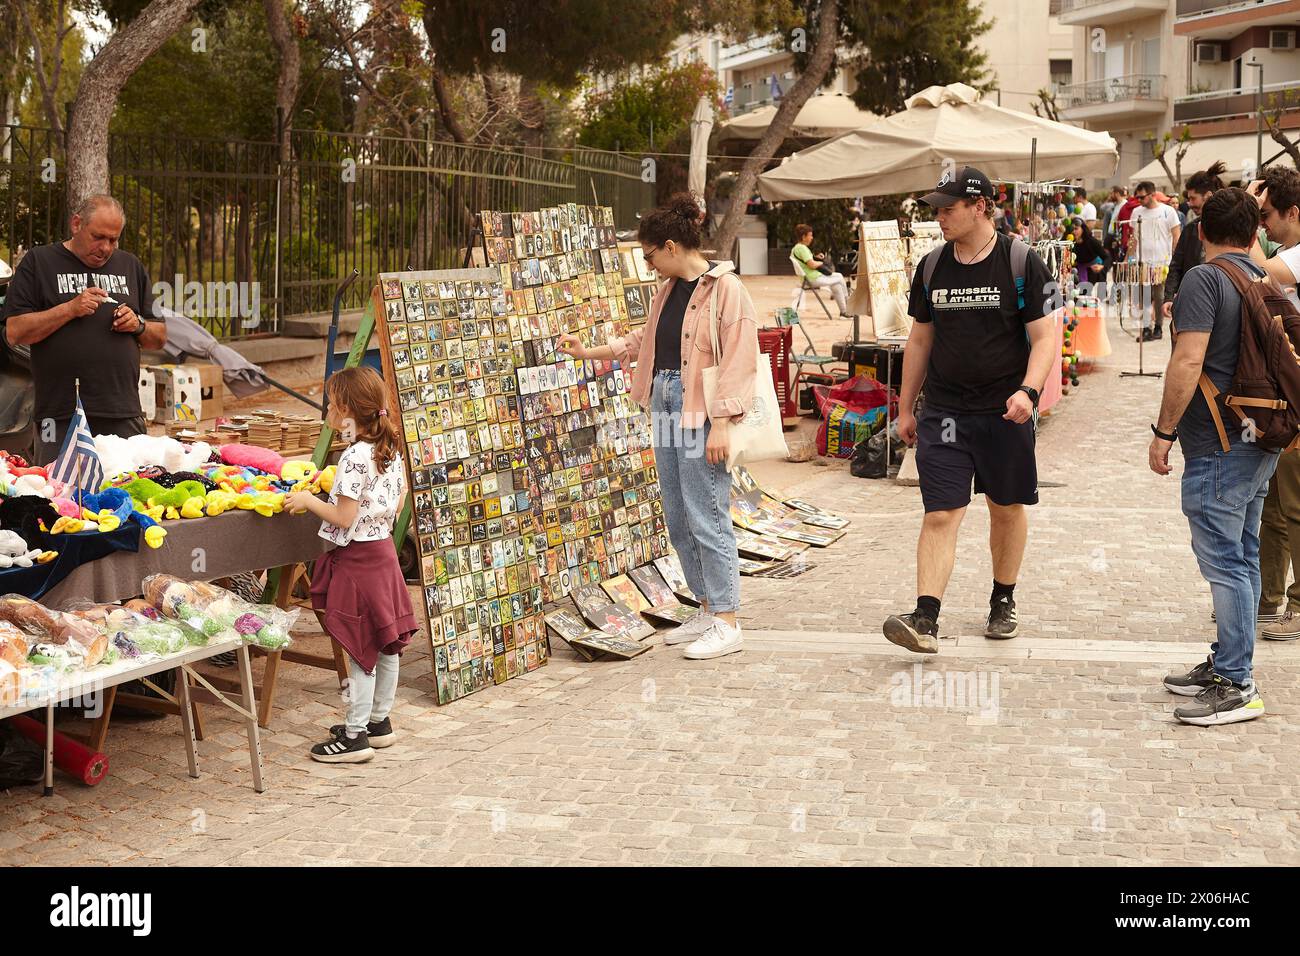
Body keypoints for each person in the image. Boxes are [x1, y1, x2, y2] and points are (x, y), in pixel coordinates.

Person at [558, 194, 758, 661]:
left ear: (670, 246)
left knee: (706, 508)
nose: (647, 264)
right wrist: (589, 352)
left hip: (701, 409)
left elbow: (740, 361)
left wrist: (723, 424)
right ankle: (708, 606)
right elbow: (643, 340)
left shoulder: (727, 291)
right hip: (666, 400)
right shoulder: (667, 291)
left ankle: (728, 618)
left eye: (649, 254)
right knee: (677, 509)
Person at [883, 166, 1058, 654]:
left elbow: (1047, 337)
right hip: (945, 411)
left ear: (980, 206)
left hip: (1006, 412)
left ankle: (1003, 599)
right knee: (940, 513)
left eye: (949, 207)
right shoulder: (932, 266)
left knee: (1005, 508)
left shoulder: (1022, 261)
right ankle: (925, 617)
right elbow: (920, 338)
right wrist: (906, 407)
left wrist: (1028, 390)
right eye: (936, 208)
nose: (939, 217)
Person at [1152, 188, 1277, 725]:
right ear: (1254, 235)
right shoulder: (1266, 279)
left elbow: (1187, 359)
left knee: (1225, 563)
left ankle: (1237, 683)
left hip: (1220, 444)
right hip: (1262, 435)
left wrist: (1164, 430)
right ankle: (1230, 662)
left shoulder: (1205, 279)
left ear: (1199, 232)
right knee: (1244, 556)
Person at [286, 367, 418, 763]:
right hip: (384, 556)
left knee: (360, 648)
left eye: (331, 403)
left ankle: (355, 736)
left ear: (346, 411)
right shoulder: (389, 445)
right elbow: (397, 500)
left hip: (359, 561)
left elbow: (343, 518)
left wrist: (307, 501)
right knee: (386, 643)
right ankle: (379, 722)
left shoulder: (355, 456)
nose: (326, 409)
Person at [1, 194, 167, 464]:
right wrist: (69, 309)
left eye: (113, 240)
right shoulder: (39, 262)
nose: (106, 248)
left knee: (129, 493)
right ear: (76, 224)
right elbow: (15, 331)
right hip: (60, 413)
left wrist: (138, 324)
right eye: (98, 237)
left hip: (122, 411)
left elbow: (159, 336)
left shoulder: (131, 266)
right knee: (60, 496)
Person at [1246, 167, 1300, 640]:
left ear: (1293, 212)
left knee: (1295, 503)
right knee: (1276, 505)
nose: (1262, 226)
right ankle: (1269, 599)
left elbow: (1255, 269)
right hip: (1284, 392)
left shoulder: (1298, 257)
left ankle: (1298, 608)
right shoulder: (1287, 251)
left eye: (1265, 216)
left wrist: (1242, 213)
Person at [1163, 162, 1226, 319]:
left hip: (1222, 306)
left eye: (1193, 198)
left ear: (1209, 196)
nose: (1189, 204)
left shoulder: (1230, 228)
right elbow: (1176, 265)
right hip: (1192, 305)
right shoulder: (1191, 229)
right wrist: (1169, 297)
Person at [1128, 181, 1182, 342]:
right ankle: (1146, 328)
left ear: (1152, 194)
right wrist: (1130, 258)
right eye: (1137, 197)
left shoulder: (1168, 211)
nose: (1139, 200)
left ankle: (1158, 327)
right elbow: (1134, 238)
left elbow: (1176, 236)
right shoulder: (1137, 212)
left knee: (1159, 295)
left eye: (1142, 197)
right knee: (1143, 296)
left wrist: (1175, 260)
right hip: (1142, 261)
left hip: (1161, 262)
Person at [790, 224, 852, 317]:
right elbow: (812, 265)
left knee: (836, 284)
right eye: (810, 235)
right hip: (812, 278)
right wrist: (820, 263)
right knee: (839, 276)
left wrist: (816, 258)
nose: (812, 238)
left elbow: (807, 262)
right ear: (803, 237)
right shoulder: (802, 248)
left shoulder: (796, 248)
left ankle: (844, 311)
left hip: (808, 277)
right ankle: (849, 305)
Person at [1069, 215, 1110, 292]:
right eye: (1072, 229)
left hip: (1094, 270)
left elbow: (1107, 257)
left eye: (1076, 229)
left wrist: (1102, 266)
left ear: (1082, 229)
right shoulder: (1069, 243)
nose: (1074, 232)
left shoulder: (1092, 241)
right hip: (1080, 271)